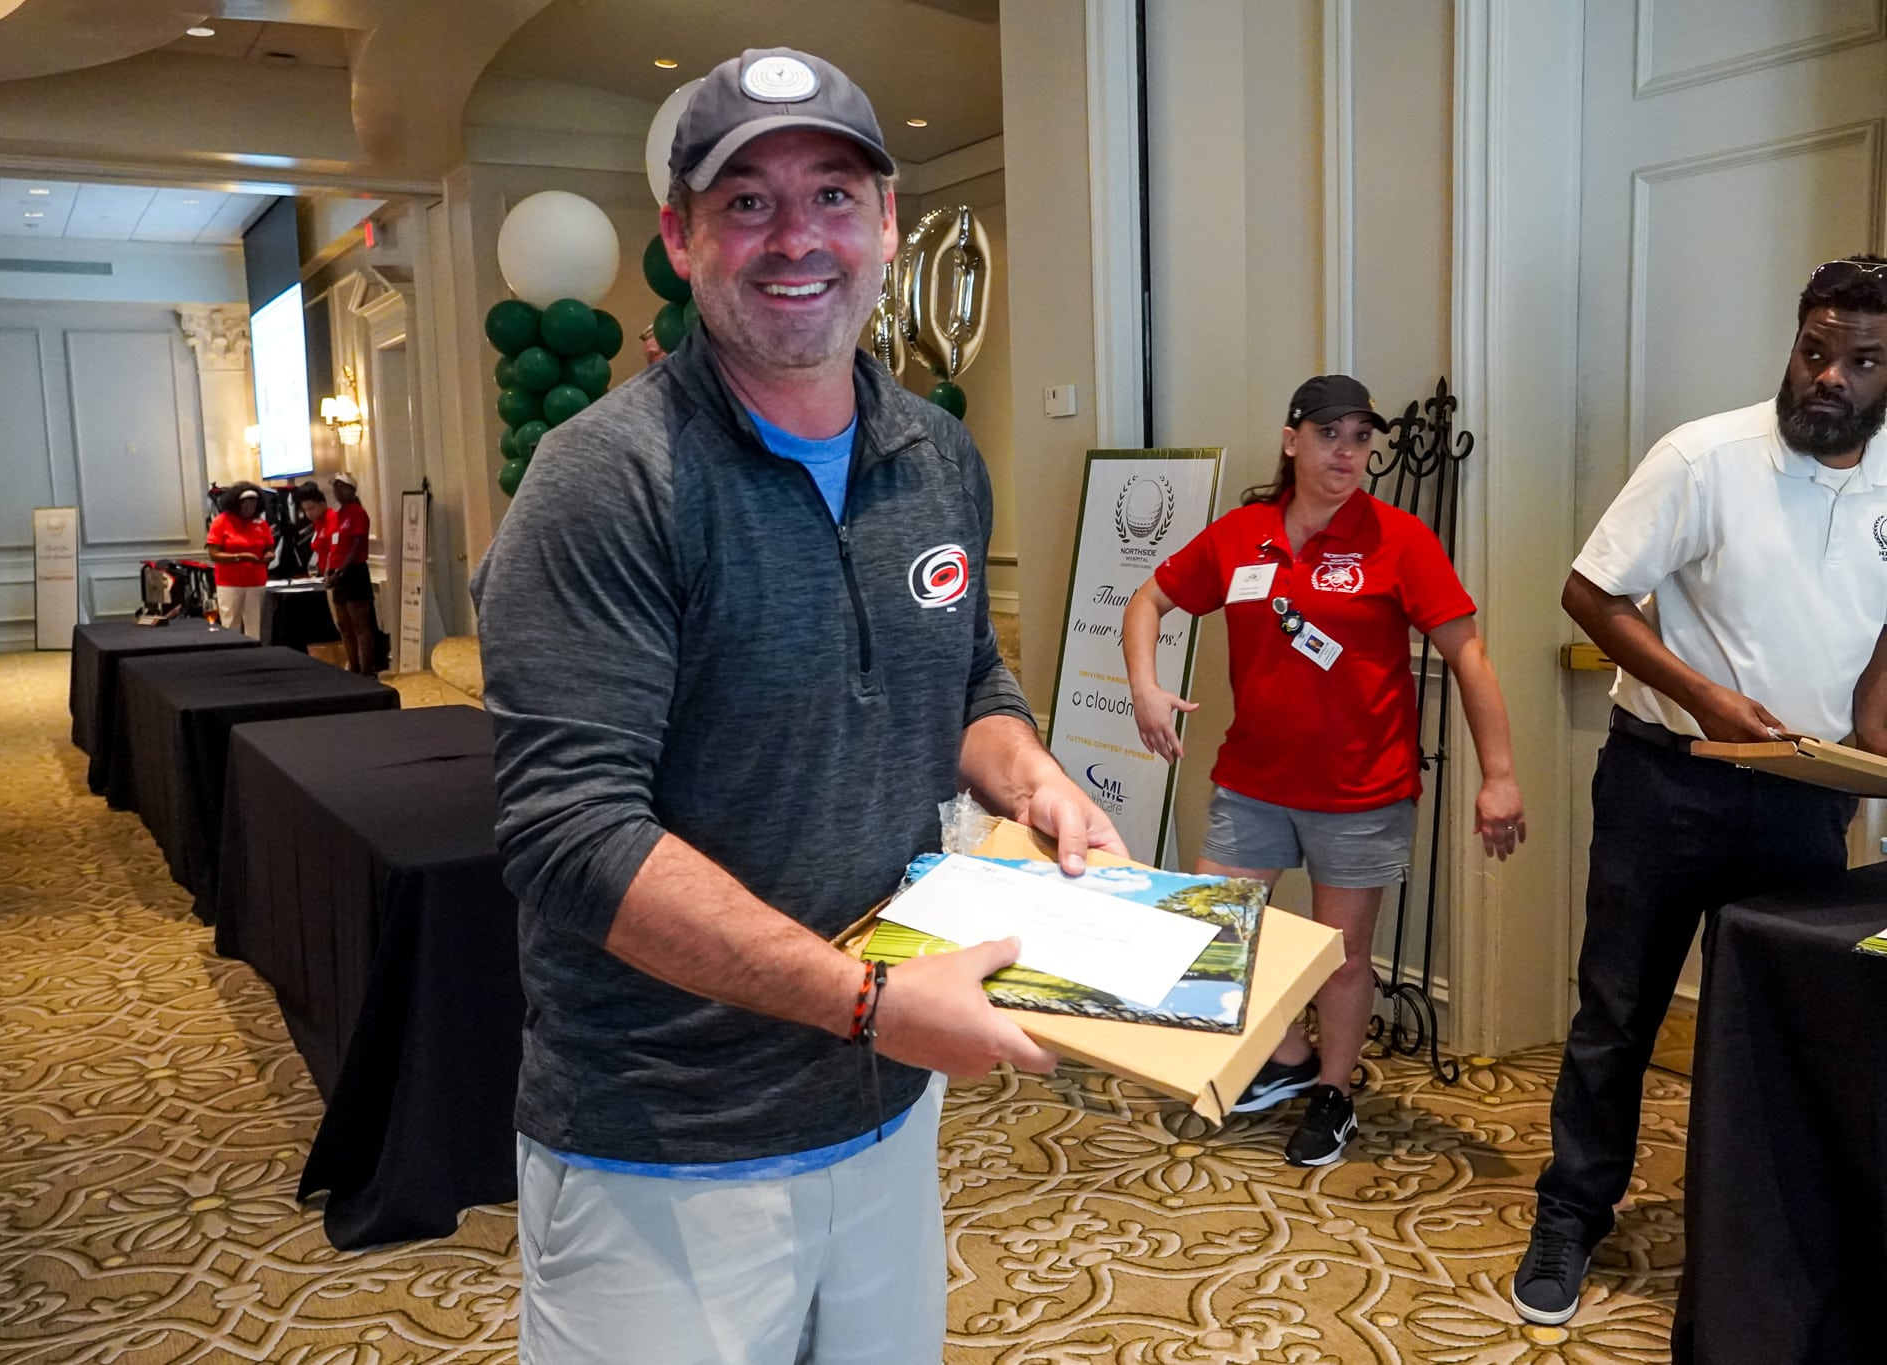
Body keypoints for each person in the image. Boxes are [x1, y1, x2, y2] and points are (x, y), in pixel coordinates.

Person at [471, 46, 1123, 1364]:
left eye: (832, 194)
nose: (796, 237)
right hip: (667, 1143)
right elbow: (570, 834)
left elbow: (965, 679)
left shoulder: (934, 454)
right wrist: (870, 1002)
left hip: (885, 1105)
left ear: (885, 225)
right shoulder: (604, 480)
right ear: (681, 237)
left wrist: (1032, 777)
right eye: (747, 202)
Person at [1513, 256, 1887, 1327]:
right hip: (1666, 779)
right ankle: (1569, 1214)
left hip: (1805, 791)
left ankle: (1746, 1242)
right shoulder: (1703, 457)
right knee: (1617, 1012)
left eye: (1861, 361)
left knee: (1768, 1023)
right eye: (1813, 349)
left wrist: (1870, 749)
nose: (1828, 376)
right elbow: (1589, 591)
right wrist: (1706, 697)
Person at [1122, 374, 1525, 1168]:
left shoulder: (1398, 539)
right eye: (1329, 434)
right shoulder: (1242, 534)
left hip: (1360, 790)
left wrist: (1500, 773)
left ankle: (1333, 1093)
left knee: (1342, 957)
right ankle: (1291, 1057)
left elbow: (1468, 654)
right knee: (1214, 933)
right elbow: (1147, 601)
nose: (1347, 452)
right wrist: (1144, 686)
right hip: (1252, 782)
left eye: (1360, 438)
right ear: (1291, 439)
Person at [322, 472, 378, 676]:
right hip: (338, 574)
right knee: (344, 625)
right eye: (334, 487)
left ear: (351, 490)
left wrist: (340, 571)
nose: (336, 491)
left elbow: (355, 547)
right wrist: (329, 571)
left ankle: (367, 670)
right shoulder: (337, 516)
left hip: (353, 572)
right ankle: (353, 668)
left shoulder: (358, 513)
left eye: (341, 487)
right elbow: (334, 547)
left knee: (360, 625)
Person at [204, 483, 272, 638]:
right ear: (236, 504)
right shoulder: (221, 521)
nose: (250, 508)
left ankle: (255, 651)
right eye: (246, 505)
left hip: (256, 581)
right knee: (230, 624)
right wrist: (241, 557)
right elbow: (214, 554)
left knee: (255, 625)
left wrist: (269, 555)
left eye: (253, 505)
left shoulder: (261, 523)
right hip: (230, 582)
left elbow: (268, 547)